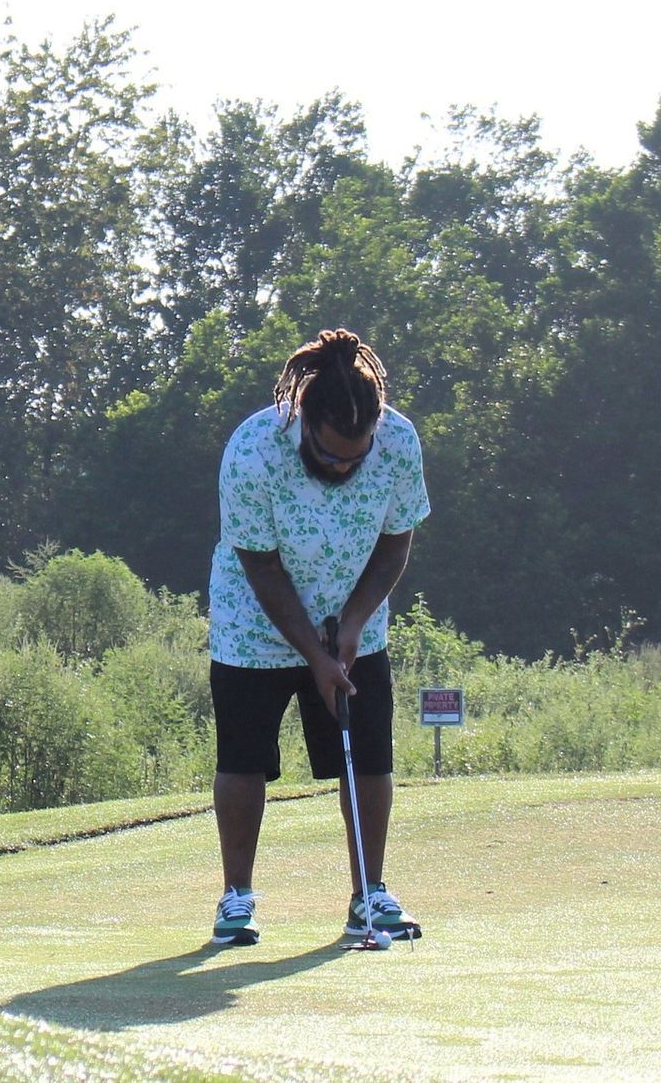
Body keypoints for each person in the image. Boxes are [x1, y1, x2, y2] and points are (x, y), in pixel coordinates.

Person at [206, 328, 428, 946]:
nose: (343, 468)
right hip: (253, 625)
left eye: (354, 459)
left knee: (367, 758)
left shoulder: (398, 441)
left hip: (354, 625)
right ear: (304, 421)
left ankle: (369, 895)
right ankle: (237, 898)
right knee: (244, 760)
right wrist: (313, 652)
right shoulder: (253, 449)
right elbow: (260, 564)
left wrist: (352, 627)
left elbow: (395, 540)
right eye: (331, 456)